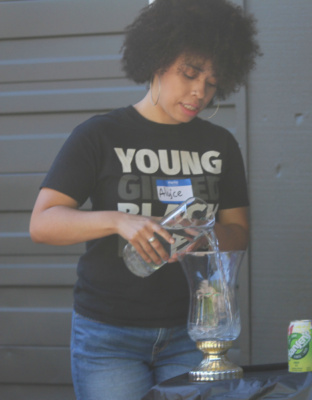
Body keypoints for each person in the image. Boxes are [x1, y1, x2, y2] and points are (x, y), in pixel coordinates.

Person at [29, 0, 260, 398]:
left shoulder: (220, 145)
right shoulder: (100, 135)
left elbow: (239, 232)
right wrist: (119, 221)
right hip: (109, 336)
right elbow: (43, 223)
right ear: (157, 58)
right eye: (190, 73)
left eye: (211, 82)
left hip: (195, 333)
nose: (199, 92)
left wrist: (202, 233)